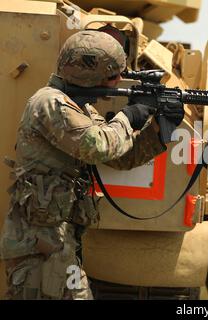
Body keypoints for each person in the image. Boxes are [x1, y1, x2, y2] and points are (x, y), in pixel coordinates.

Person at [0, 30, 184, 299]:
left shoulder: (80, 109)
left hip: (59, 245)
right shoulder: (49, 103)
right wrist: (129, 115)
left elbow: (119, 156)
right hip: (37, 247)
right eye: (111, 76)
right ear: (88, 74)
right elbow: (97, 145)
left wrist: (157, 129)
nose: (116, 82)